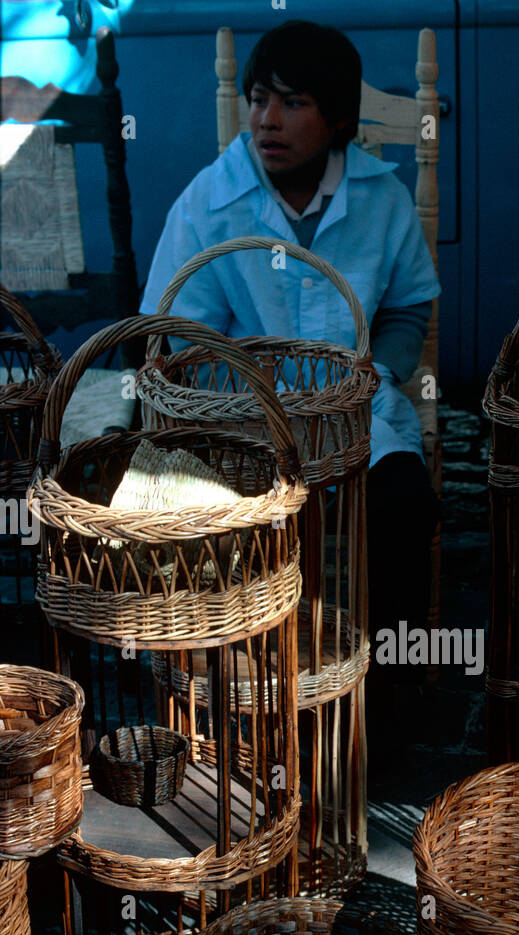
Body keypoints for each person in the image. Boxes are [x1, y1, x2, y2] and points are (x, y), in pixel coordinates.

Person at [140, 20, 442, 726]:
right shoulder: (210, 201)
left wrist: (383, 371)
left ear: (337, 117)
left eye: (292, 102)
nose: (266, 122)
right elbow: (175, 335)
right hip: (238, 420)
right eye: (257, 99)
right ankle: (240, 692)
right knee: (193, 518)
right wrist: (240, 411)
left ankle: (382, 700)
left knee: (403, 508)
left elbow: (407, 306)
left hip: (356, 417)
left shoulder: (380, 197)